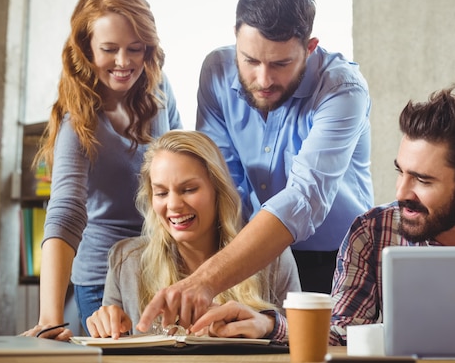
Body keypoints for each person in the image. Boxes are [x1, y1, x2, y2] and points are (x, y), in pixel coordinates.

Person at [189, 87, 455, 359]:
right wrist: (267, 324)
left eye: (423, 180)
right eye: (400, 171)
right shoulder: (372, 231)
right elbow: (344, 331)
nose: (402, 191)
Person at [135, 0, 373, 333]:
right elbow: (222, 180)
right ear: (235, 37)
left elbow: (304, 198)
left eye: (280, 64)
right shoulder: (215, 71)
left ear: (309, 48)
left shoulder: (343, 88)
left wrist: (207, 279)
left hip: (336, 262)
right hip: (250, 258)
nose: (263, 79)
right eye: (250, 60)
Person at [21, 0, 182, 339]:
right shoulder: (75, 121)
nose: (124, 62)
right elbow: (65, 211)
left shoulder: (158, 88)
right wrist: (50, 318)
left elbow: (182, 163)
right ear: (86, 49)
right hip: (103, 278)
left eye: (135, 49)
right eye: (109, 49)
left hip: (162, 265)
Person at [85, 130, 300, 339]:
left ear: (218, 191)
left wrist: (267, 326)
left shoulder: (273, 257)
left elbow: (303, 337)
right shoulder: (126, 261)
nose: (174, 205)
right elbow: (113, 345)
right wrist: (106, 326)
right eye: (161, 193)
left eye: (188, 190)